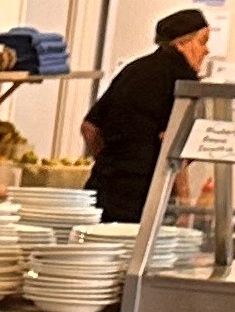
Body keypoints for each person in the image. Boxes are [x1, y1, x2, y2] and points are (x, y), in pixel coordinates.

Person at [86, 7, 213, 224]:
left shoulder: (133, 69)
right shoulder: (184, 80)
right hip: (144, 197)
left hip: (101, 189)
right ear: (182, 43)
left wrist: (112, 163)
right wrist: (183, 206)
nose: (207, 50)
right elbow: (173, 143)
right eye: (202, 41)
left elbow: (89, 127)